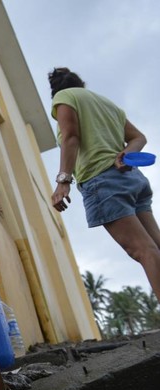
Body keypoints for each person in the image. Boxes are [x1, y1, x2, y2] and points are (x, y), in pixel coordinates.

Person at [49, 67, 160, 300]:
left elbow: (71, 136)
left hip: (103, 183)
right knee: (155, 247)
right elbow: (139, 137)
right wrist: (126, 154)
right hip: (132, 180)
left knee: (143, 250)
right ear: (81, 84)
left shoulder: (64, 97)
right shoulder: (108, 105)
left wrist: (63, 181)